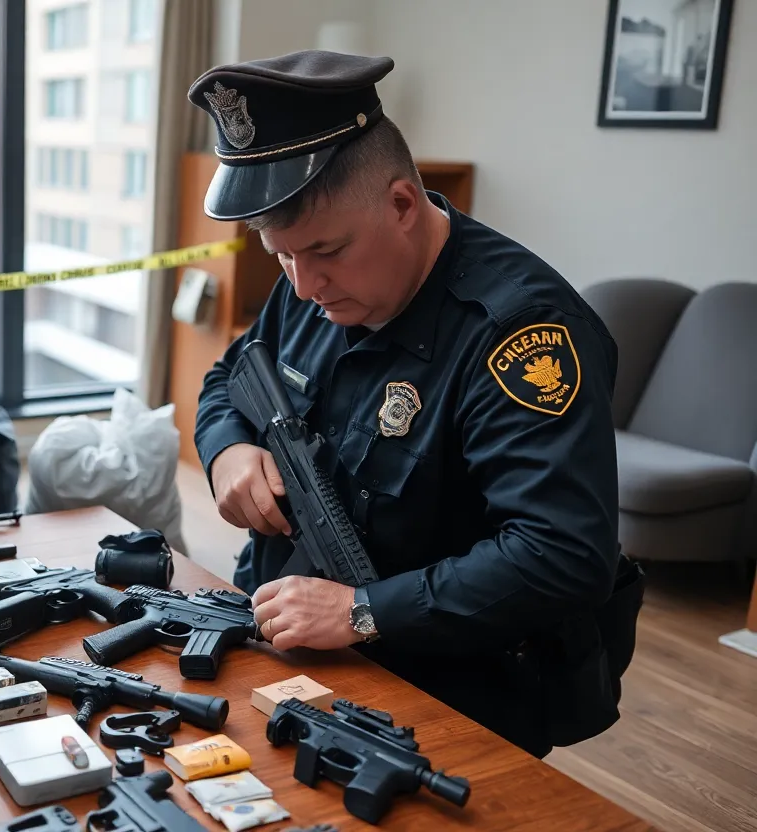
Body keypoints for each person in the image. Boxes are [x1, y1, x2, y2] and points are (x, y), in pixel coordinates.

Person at [187, 50, 643, 758]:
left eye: (326, 251)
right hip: (287, 644)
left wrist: (363, 612)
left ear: (402, 204)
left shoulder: (522, 334)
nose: (303, 286)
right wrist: (228, 451)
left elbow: (561, 554)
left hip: (450, 692)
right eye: (280, 255)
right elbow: (229, 377)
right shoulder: (312, 272)